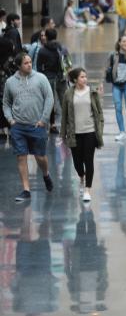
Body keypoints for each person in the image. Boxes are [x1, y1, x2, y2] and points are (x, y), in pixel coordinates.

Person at [2, 53, 54, 202]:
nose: (29, 65)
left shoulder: (41, 78)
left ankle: (46, 174)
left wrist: (44, 119)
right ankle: (26, 189)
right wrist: (10, 120)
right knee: (21, 157)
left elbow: (49, 98)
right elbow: (6, 103)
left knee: (40, 157)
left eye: (30, 62)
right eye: (26, 63)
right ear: (18, 66)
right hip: (18, 126)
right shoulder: (10, 82)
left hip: (37, 125)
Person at [60, 67, 103, 202]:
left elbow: (99, 113)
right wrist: (63, 135)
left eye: (85, 76)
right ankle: (81, 177)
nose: (85, 79)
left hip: (90, 131)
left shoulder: (92, 92)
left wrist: (99, 129)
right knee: (77, 162)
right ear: (75, 80)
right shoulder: (68, 94)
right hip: (74, 134)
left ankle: (87, 190)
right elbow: (64, 115)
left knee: (88, 160)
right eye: (82, 77)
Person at [36, 28, 70, 132]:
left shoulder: (42, 50)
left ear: (46, 36)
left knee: (50, 102)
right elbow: (68, 65)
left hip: (48, 78)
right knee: (64, 101)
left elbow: (38, 66)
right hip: (61, 78)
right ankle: (68, 124)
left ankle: (52, 124)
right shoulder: (63, 49)